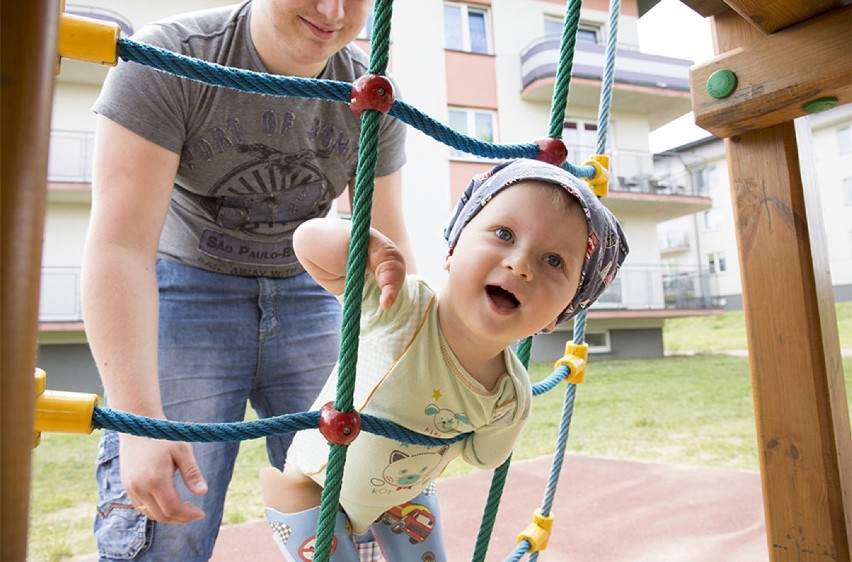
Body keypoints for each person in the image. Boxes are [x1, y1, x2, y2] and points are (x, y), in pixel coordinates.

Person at [81, 1, 414, 560]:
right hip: (183, 286)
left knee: (357, 496)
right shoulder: (172, 59)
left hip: (311, 287)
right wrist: (139, 424)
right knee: (164, 518)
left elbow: (385, 255)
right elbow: (120, 245)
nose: (332, 11)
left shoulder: (371, 93)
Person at [258, 158, 630, 561]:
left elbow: (486, 457)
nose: (520, 264)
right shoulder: (401, 306)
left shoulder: (509, 394)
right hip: (310, 486)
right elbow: (307, 244)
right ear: (453, 248)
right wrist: (364, 244)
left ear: (560, 315)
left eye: (554, 260)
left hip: (402, 496)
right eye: (504, 233)